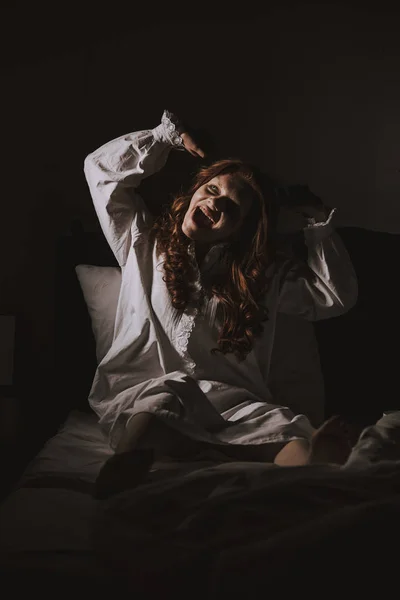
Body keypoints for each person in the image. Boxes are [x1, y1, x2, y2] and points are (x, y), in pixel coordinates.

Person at [83, 110, 358, 498]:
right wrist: (165, 138)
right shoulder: (143, 242)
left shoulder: (262, 278)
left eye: (231, 206)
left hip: (233, 406)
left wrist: (314, 216)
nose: (215, 204)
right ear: (195, 191)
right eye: (212, 191)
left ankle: (314, 471)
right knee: (164, 400)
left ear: (241, 229)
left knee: (284, 426)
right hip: (148, 396)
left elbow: (335, 296)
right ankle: (120, 476)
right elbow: (101, 171)